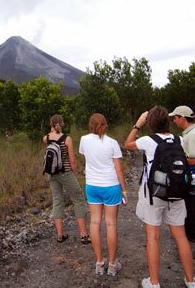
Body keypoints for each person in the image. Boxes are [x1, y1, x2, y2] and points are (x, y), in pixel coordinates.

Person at [125, 106, 195, 288]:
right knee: (180, 236)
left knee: (153, 237)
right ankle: (191, 281)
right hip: (176, 193)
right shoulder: (179, 139)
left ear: (150, 123)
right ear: (167, 121)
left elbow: (128, 144)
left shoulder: (148, 141)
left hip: (155, 193)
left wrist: (137, 124)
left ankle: (154, 282)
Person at [79, 113, 127, 276]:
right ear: (106, 124)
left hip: (92, 185)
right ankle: (112, 265)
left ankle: (99, 263)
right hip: (111, 186)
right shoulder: (113, 143)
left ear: (90, 125)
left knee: (94, 223)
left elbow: (88, 157)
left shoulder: (84, 140)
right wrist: (124, 189)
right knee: (111, 224)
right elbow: (118, 169)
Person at [169, 106, 195, 260]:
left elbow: (194, 160)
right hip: (193, 177)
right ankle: (191, 237)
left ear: (183, 118)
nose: (174, 120)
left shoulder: (192, 135)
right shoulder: (190, 133)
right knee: (190, 208)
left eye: (175, 117)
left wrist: (176, 160)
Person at [43, 114, 90, 244]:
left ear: (51, 124)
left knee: (57, 200)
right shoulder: (67, 139)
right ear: (62, 123)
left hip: (52, 174)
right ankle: (84, 235)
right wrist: (75, 172)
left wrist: (51, 132)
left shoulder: (46, 138)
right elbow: (72, 160)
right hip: (66, 172)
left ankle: (60, 235)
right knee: (78, 199)